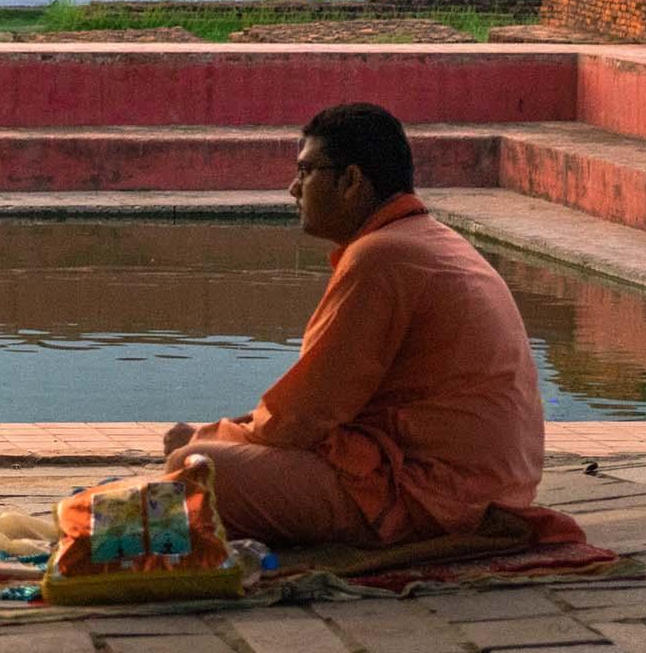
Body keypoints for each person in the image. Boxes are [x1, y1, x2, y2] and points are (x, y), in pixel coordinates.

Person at [160, 103, 570, 549]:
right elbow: (313, 411)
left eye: (308, 171)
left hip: (434, 495)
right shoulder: (426, 239)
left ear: (352, 181)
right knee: (216, 453)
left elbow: (305, 416)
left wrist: (205, 436)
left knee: (194, 465)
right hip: (490, 485)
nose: (293, 188)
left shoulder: (380, 258)